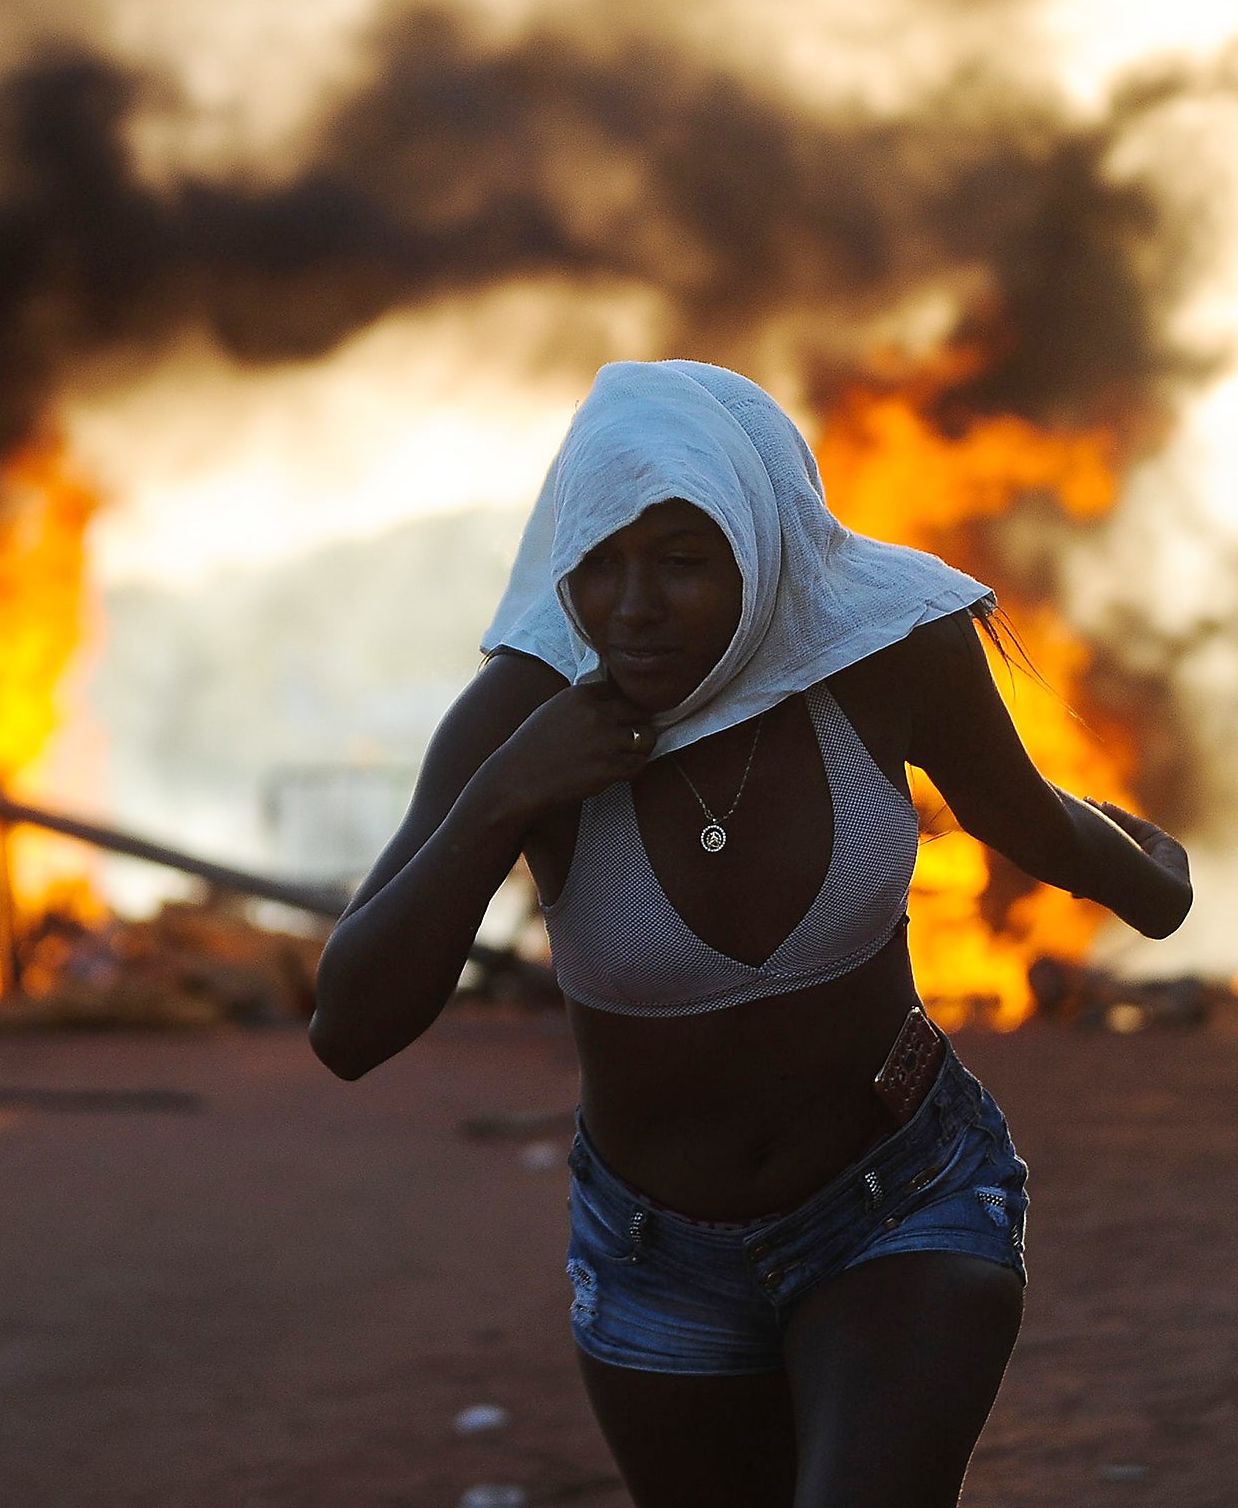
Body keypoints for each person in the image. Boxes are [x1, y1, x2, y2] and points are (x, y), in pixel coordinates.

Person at [307, 359, 1192, 1508]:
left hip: (904, 1199)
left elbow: (1015, 811)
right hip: (654, 1259)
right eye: (599, 564)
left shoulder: (881, 654)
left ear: (758, 540)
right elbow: (347, 1025)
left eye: (680, 560)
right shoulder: (524, 712)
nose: (630, 608)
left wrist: (1148, 881)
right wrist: (506, 794)